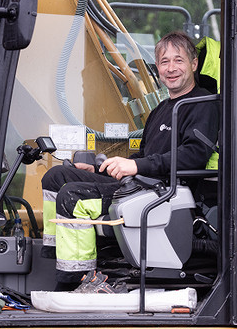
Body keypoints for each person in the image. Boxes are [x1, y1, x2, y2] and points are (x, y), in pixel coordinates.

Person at [41, 31, 220, 290]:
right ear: (157, 68)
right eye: (164, 62)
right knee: (56, 177)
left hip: (165, 193)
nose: (171, 68)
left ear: (193, 64)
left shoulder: (202, 104)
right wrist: (101, 169)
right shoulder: (161, 109)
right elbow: (144, 156)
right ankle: (56, 256)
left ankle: (74, 282)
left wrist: (136, 166)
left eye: (178, 61)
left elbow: (194, 156)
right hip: (140, 185)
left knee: (73, 195)